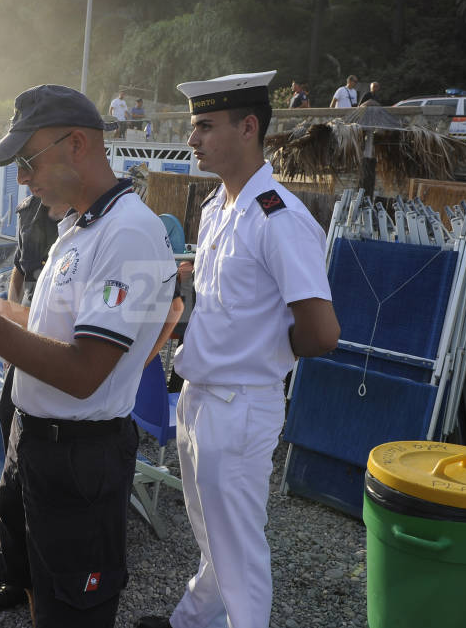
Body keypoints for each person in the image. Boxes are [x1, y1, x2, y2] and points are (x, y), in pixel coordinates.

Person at [0, 83, 177, 628]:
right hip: (33, 441)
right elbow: (49, 329)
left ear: (76, 144)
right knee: (35, 583)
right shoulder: (77, 227)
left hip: (80, 457)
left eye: (27, 161)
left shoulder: (128, 234)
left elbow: (83, 372)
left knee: (74, 612)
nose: (22, 178)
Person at [136, 71, 340, 628]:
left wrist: (266, 351)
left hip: (242, 402)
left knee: (239, 550)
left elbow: (321, 332)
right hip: (200, 395)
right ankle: (192, 620)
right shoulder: (217, 208)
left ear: (248, 127)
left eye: (204, 126)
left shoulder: (281, 218)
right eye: (192, 126)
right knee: (212, 534)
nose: (192, 139)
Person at [0, 193, 66, 612]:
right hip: (29, 334)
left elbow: (171, 306)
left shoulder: (104, 221)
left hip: (60, 352)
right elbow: (18, 267)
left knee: (44, 473)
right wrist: (10, 325)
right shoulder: (31, 209)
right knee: (9, 426)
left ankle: (42, 582)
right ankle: (17, 578)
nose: (25, 175)